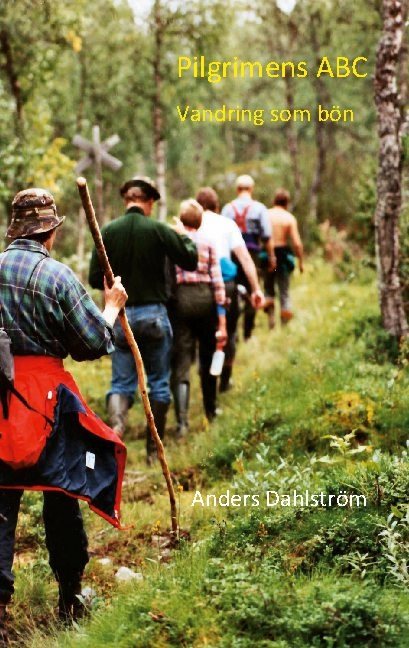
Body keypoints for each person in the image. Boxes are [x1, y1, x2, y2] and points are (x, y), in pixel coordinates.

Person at [0, 188, 128, 641]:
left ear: (16, 229)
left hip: (0, 399)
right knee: (62, 491)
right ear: (50, 232)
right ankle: (70, 594)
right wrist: (111, 309)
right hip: (46, 404)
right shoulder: (57, 277)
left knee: (1, 500)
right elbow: (92, 343)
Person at [88, 176, 198, 463]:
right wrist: (182, 233)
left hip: (121, 319)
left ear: (127, 200)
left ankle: (117, 429)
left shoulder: (108, 232)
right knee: (159, 383)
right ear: (148, 202)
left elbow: (92, 278)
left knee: (121, 384)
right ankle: (153, 450)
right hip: (154, 317)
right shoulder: (159, 229)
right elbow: (190, 259)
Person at [196, 186, 264, 392]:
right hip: (226, 285)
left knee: (205, 337)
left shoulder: (189, 224)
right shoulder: (227, 224)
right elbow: (244, 258)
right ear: (217, 206)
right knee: (230, 332)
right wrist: (256, 289)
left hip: (200, 285)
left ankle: (207, 380)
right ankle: (225, 381)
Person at [170, 199, 227, 437]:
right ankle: (210, 411)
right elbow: (217, 279)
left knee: (182, 359)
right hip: (205, 299)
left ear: (181, 220)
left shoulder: (174, 241)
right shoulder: (208, 242)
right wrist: (221, 314)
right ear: (200, 220)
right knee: (206, 356)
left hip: (181, 300)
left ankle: (182, 422)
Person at [221, 174, 274, 340]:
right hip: (252, 254)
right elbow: (266, 236)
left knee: (232, 290)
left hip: (231, 255)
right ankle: (247, 333)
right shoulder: (259, 208)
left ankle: (233, 331)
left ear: (237, 189)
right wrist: (271, 256)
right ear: (251, 189)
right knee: (253, 290)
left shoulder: (227, 209)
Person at [264, 188, 304, 328]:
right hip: (282, 255)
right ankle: (285, 323)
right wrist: (300, 262)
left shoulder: (266, 215)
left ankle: (270, 314)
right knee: (284, 290)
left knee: (268, 288)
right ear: (287, 202)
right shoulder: (289, 218)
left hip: (267, 255)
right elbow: (297, 243)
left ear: (274, 201)